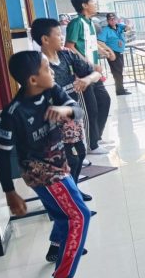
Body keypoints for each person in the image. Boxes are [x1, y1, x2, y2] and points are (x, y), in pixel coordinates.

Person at [0, 51, 95, 278]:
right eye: (46, 69)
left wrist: (64, 112)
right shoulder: (13, 113)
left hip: (59, 165)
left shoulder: (52, 92)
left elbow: (77, 111)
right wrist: (9, 192)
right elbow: (1, 154)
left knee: (63, 214)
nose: (52, 72)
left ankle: (56, 246)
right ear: (32, 80)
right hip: (40, 172)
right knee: (79, 215)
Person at [31, 18, 102, 202]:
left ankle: (74, 190)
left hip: (73, 114)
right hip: (54, 120)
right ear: (45, 39)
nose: (62, 38)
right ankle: (68, 197)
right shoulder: (39, 64)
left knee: (81, 154)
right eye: (58, 34)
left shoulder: (67, 55)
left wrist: (86, 80)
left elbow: (95, 73)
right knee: (68, 160)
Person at [65, 0, 111, 155]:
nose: (95, 4)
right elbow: (70, 47)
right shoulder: (76, 23)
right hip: (83, 73)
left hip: (94, 72)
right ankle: (92, 145)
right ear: (84, 5)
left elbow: (90, 45)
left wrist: (104, 51)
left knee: (104, 101)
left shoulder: (90, 22)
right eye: (92, 1)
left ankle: (96, 136)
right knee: (90, 108)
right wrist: (88, 63)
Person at [97, 13, 130, 96]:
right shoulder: (106, 30)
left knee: (120, 71)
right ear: (108, 21)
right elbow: (100, 42)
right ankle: (120, 91)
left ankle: (120, 88)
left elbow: (128, 28)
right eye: (110, 19)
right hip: (113, 53)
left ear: (116, 19)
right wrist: (109, 51)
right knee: (117, 72)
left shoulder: (120, 26)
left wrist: (126, 26)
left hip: (120, 52)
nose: (112, 21)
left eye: (114, 19)